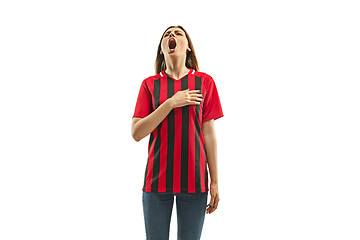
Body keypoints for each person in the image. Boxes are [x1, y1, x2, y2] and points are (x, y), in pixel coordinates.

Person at [131, 25, 224, 240]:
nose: (172, 36)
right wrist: (171, 103)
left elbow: (209, 134)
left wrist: (215, 181)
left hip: (195, 181)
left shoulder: (205, 82)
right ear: (162, 49)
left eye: (178, 33)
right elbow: (136, 132)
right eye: (167, 35)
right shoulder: (149, 85)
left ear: (188, 47)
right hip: (156, 182)